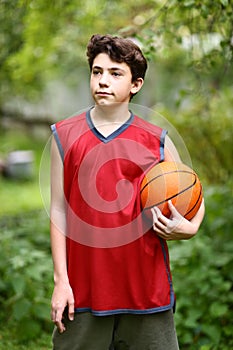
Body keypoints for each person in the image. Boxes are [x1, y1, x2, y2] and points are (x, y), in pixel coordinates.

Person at [50, 34, 205, 350]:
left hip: (147, 294)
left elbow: (193, 195)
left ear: (136, 84)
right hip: (83, 294)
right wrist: (61, 282)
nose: (102, 80)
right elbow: (58, 211)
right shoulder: (64, 136)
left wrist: (189, 228)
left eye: (115, 73)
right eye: (97, 71)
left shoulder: (156, 140)